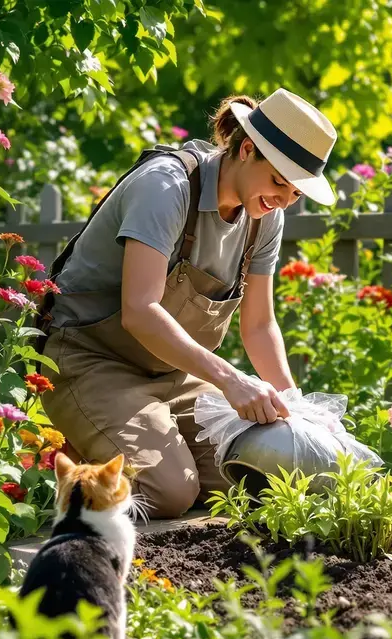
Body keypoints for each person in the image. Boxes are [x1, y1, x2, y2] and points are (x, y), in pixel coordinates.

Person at [36, 88, 338, 518]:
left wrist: (297, 410)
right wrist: (232, 381)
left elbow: (259, 326)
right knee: (168, 492)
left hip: (173, 373)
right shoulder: (167, 187)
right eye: (278, 182)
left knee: (263, 473)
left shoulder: (265, 217)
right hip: (88, 360)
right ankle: (63, 463)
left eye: (296, 193)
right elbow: (140, 311)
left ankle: (135, 448)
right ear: (247, 149)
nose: (283, 200)